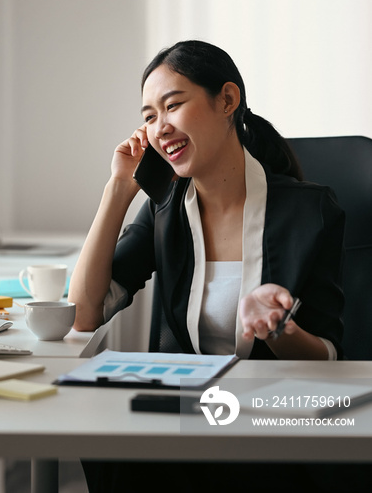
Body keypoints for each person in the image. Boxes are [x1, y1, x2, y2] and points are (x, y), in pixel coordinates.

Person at [68, 39, 345, 492]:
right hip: (193, 420)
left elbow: (332, 356)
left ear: (227, 101)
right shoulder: (166, 211)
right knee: (107, 443)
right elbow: (83, 312)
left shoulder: (309, 212)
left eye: (173, 105)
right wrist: (119, 190)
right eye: (149, 117)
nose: (160, 128)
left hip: (277, 419)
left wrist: (278, 329)